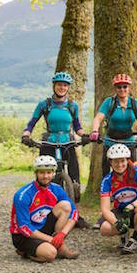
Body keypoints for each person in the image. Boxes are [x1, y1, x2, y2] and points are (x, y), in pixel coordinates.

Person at [22, 71, 86, 210]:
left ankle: (75, 206)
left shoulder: (72, 106)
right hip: (49, 142)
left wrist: (85, 136)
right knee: (45, 174)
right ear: (54, 86)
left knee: (74, 175)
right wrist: (26, 135)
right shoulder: (45, 104)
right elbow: (31, 123)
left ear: (68, 88)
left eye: (64, 85)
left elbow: (77, 127)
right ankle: (45, 205)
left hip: (67, 142)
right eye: (59, 85)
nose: (62, 88)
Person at [10, 155, 80, 262]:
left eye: (49, 172)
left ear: (53, 173)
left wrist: (61, 235)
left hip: (42, 226)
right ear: (36, 173)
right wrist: (51, 239)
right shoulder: (23, 195)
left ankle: (59, 246)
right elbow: (24, 227)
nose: (45, 176)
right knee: (51, 254)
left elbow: (74, 213)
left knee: (65, 205)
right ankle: (25, 252)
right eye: (42, 172)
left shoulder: (56, 189)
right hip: (24, 235)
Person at [98, 143, 137, 254]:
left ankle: (135, 238)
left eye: (122, 161)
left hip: (136, 209)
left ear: (127, 160)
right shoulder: (107, 180)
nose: (119, 164)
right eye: (116, 161)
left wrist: (132, 205)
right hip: (121, 211)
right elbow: (105, 209)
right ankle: (124, 232)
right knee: (105, 228)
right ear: (110, 163)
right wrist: (116, 222)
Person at [89, 73, 137, 174]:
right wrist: (95, 131)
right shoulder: (109, 102)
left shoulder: (135, 104)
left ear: (129, 88)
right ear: (115, 88)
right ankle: (105, 189)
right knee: (105, 169)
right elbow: (98, 118)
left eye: (125, 87)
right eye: (119, 87)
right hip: (111, 139)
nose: (122, 89)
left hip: (129, 140)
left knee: (133, 170)